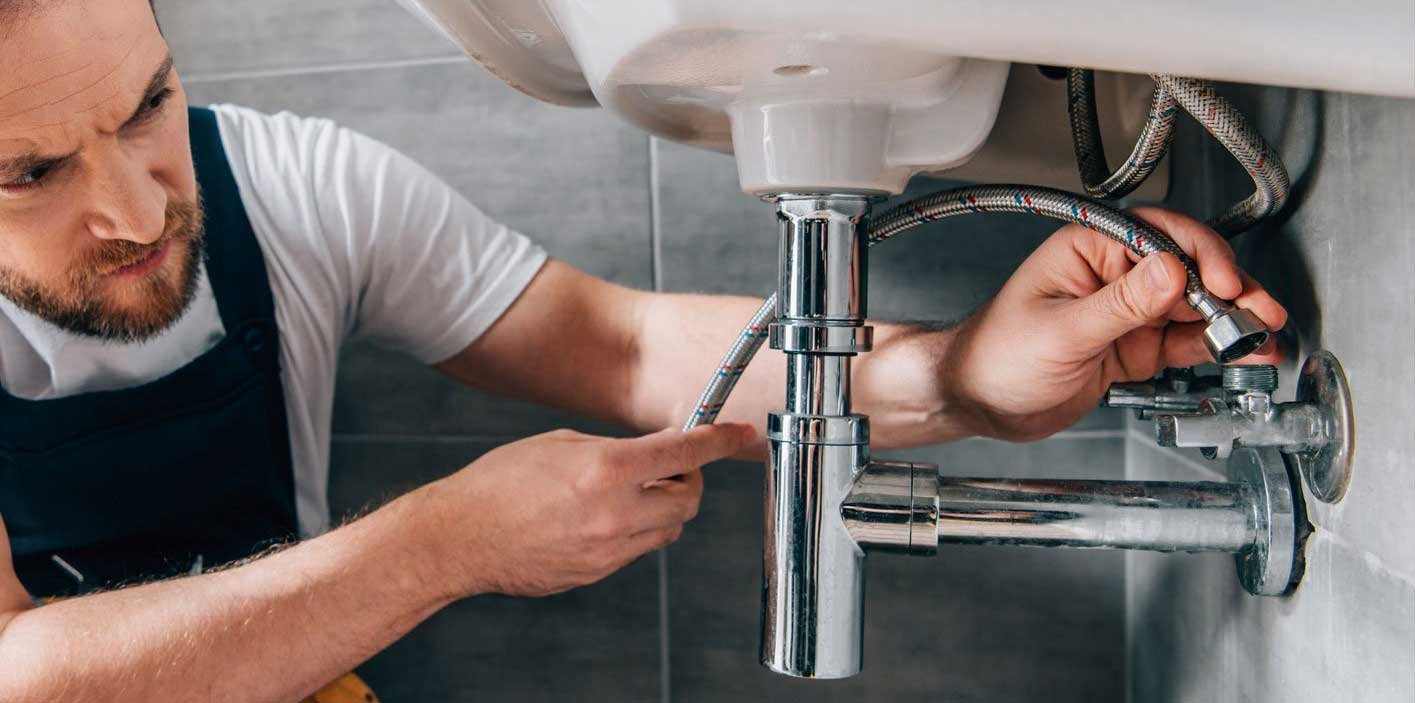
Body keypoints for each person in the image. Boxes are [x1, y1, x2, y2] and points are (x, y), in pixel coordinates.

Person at [0, 1, 1287, 701]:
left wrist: (953, 375)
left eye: (148, 104)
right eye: (32, 173)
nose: (135, 209)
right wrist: (445, 543)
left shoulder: (284, 186)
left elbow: (612, 347)